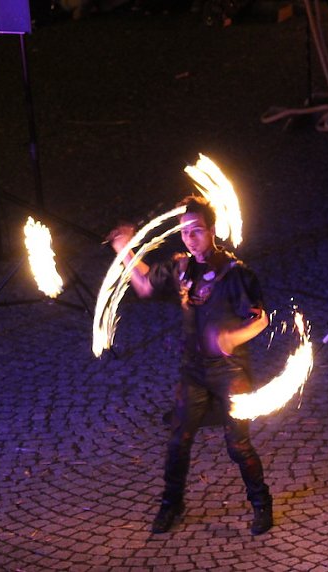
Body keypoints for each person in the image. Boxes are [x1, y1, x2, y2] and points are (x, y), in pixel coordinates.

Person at [108, 195, 274, 536]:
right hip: (193, 371)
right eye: (185, 232)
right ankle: (172, 505)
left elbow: (261, 319)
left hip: (230, 372)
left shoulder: (236, 274)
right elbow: (144, 285)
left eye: (197, 230)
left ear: (212, 230)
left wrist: (232, 337)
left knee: (237, 445)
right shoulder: (181, 268)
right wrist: (124, 249)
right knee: (178, 441)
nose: (190, 238)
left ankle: (261, 503)